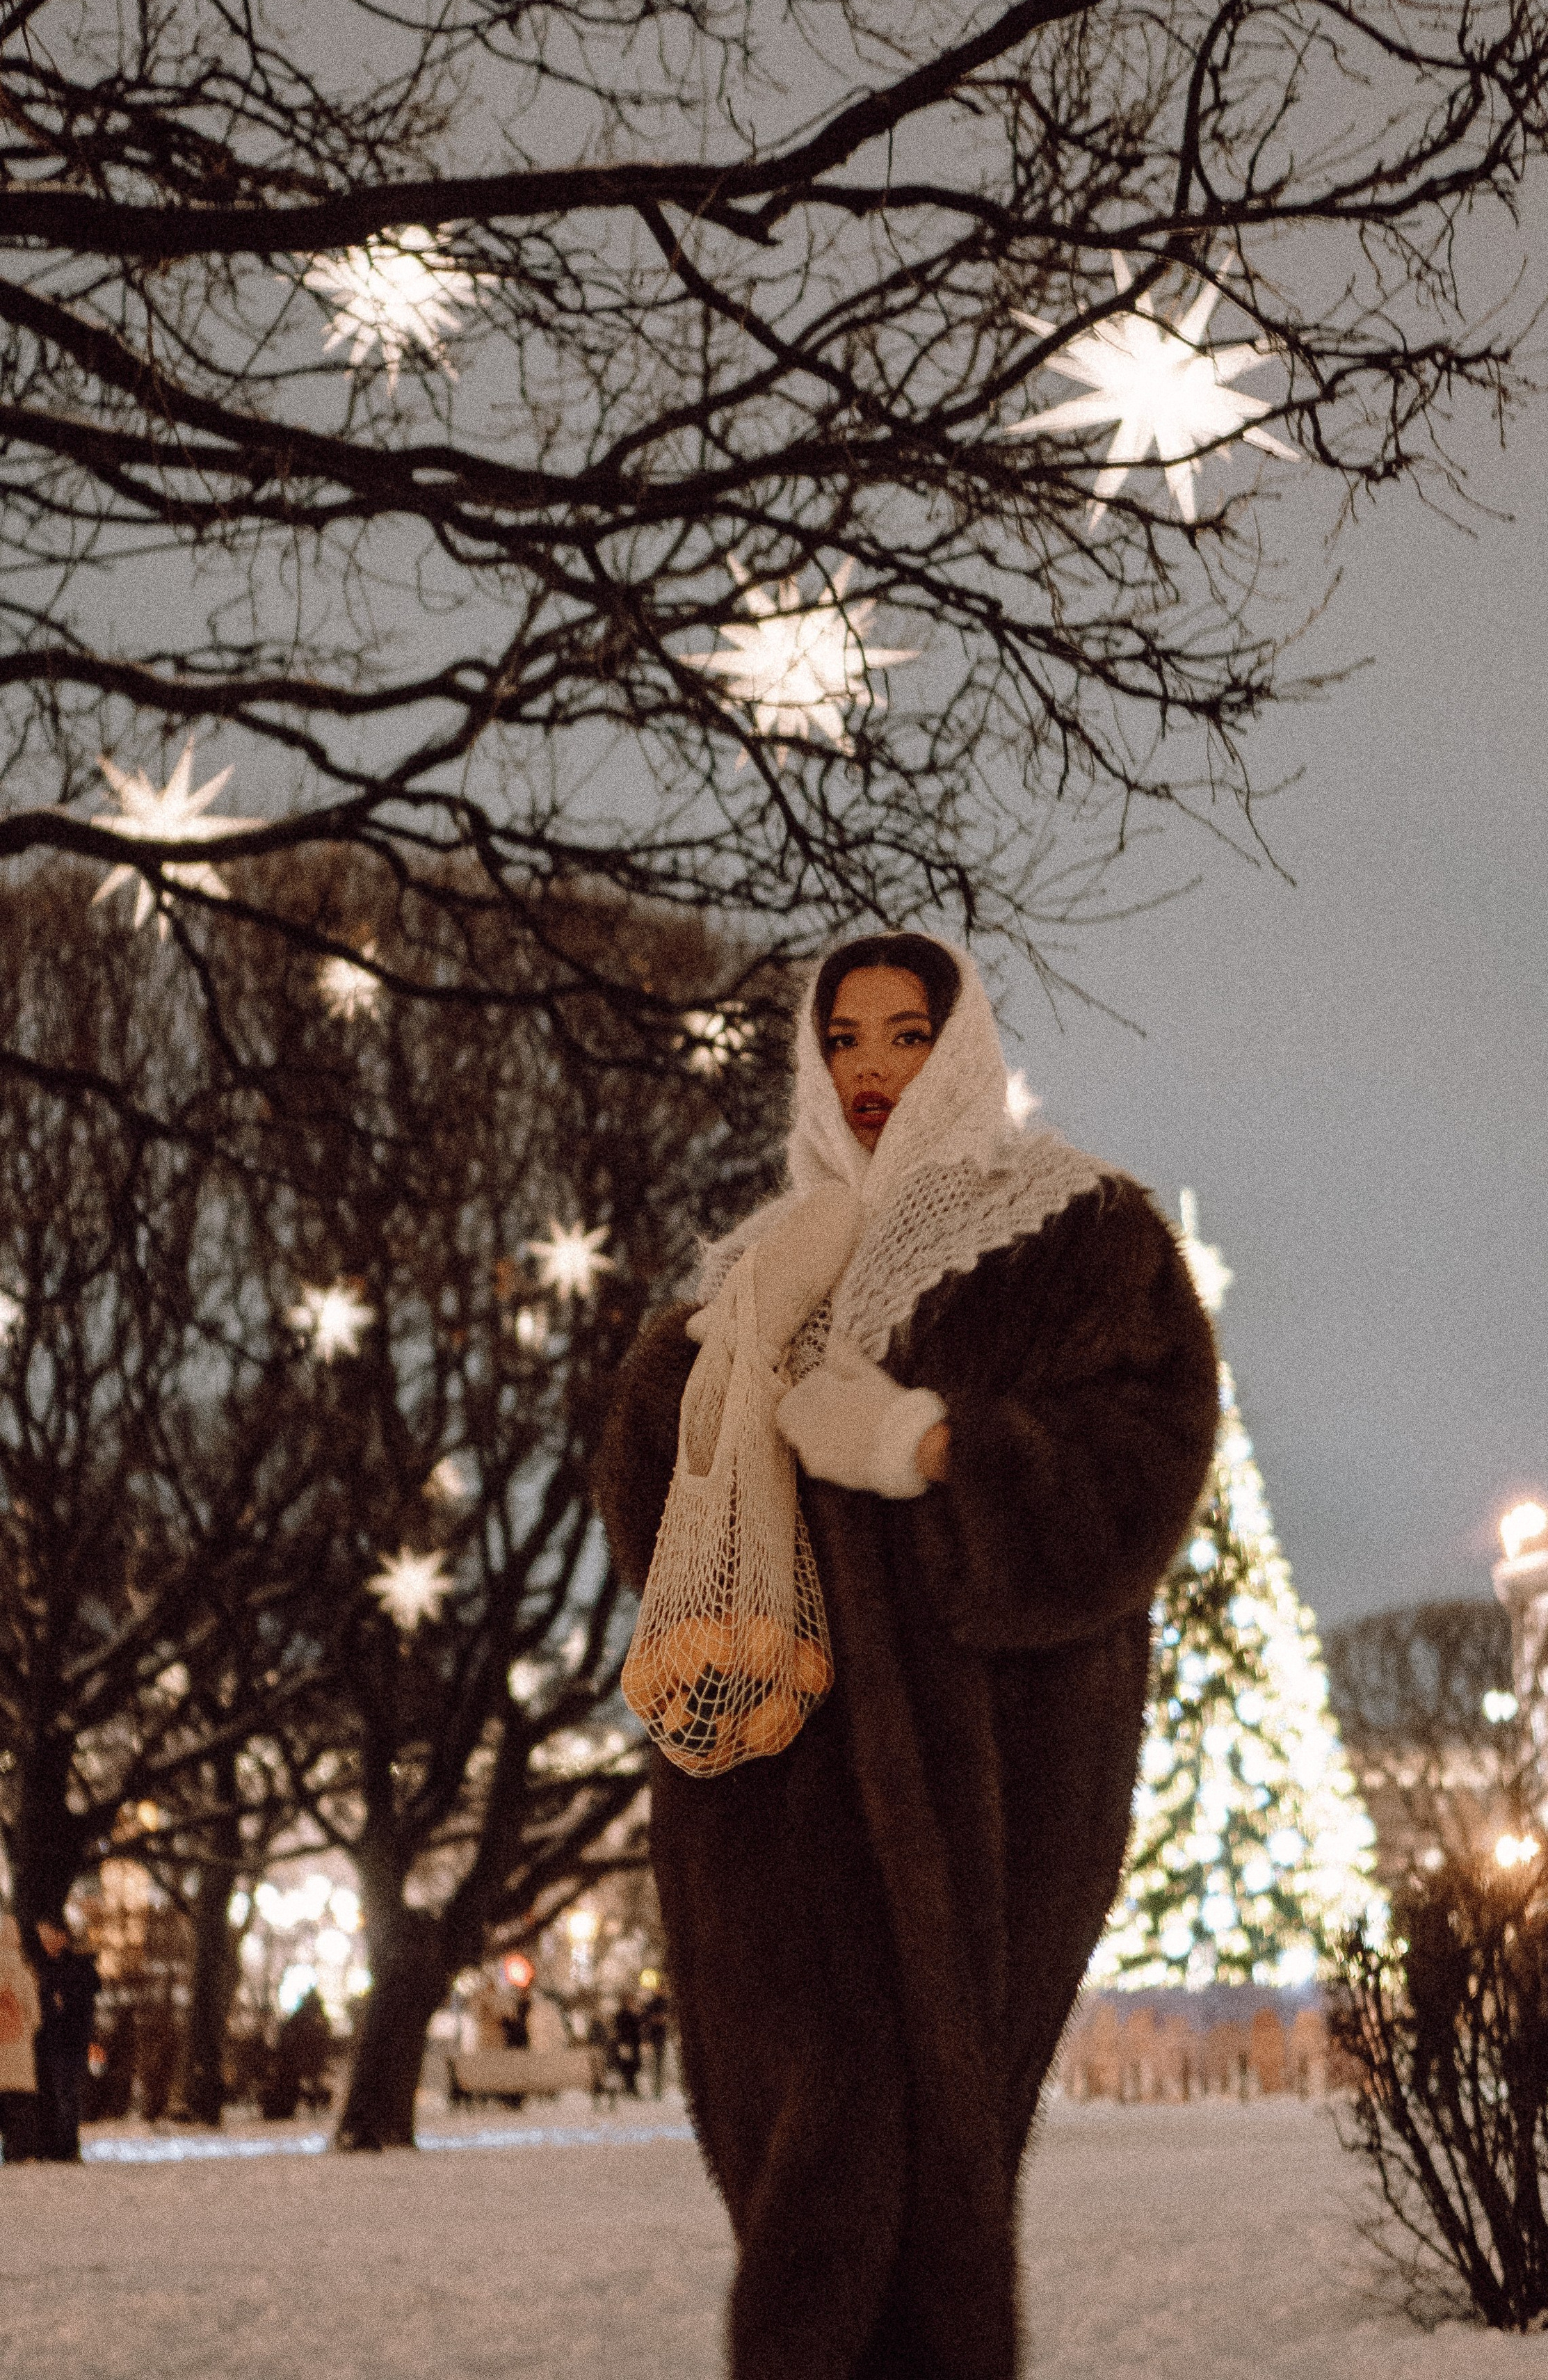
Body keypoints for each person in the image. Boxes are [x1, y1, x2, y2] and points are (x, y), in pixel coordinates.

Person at [598, 933, 1218, 2379]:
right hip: (764, 1790)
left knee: (921, 2154)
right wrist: (691, 1388)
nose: (871, 1071)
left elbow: (1142, 1471)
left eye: (903, 1036)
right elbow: (655, 1527)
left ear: (960, 1048)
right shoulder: (760, 1264)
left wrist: (924, 1446)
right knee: (800, 2158)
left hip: (981, 1786)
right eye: (843, 1041)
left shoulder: (1079, 1234)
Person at [33, 1914, 99, 2161]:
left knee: (65, 2093)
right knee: (55, 2093)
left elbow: (71, 2006)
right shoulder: (46, 1966)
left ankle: (67, 2147)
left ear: (62, 1936)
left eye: (49, 1935)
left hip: (67, 2042)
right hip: (51, 2041)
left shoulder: (72, 1968)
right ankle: (55, 2146)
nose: (45, 1941)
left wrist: (60, 2004)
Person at [0, 1913, 40, 2162]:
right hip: (18, 2048)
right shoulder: (23, 1972)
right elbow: (33, 2013)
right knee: (18, 2106)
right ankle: (18, 2152)